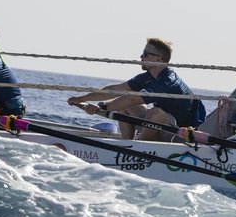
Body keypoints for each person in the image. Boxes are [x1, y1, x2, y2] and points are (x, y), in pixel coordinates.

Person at [68, 37, 206, 141]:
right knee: (122, 106)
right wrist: (82, 98)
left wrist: (102, 108)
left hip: (179, 135)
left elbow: (133, 99)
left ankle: (140, 151)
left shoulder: (168, 81)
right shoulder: (146, 77)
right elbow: (116, 89)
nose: (141, 57)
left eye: (145, 54)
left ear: (159, 59)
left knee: (154, 112)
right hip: (161, 127)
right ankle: (127, 145)